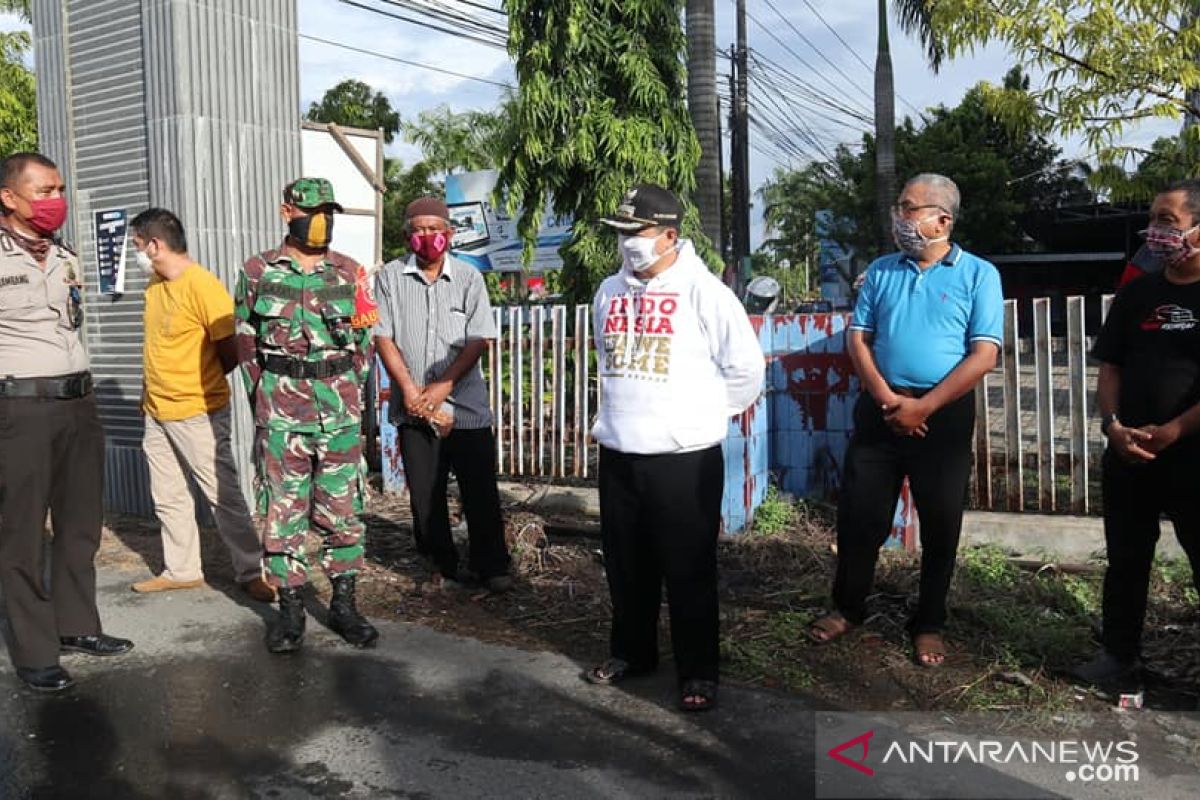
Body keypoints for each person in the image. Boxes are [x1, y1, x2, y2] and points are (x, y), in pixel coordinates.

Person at [807, 173, 1003, 668]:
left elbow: (983, 356)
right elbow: (858, 339)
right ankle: (847, 607)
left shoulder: (978, 274)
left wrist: (925, 406)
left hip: (944, 414)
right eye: (900, 209)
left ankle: (929, 623)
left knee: (940, 523)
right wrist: (887, 399)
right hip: (881, 409)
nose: (901, 219)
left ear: (943, 219)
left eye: (910, 209)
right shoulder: (881, 271)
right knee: (859, 517)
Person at [585, 184, 764, 712]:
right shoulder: (608, 292)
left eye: (636, 233)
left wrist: (699, 420)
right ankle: (632, 653)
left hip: (684, 458)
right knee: (625, 564)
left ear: (669, 234)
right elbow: (606, 360)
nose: (627, 244)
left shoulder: (704, 293)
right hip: (620, 451)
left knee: (687, 568)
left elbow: (746, 371)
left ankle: (698, 670)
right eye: (621, 234)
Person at [0, 152, 133, 692]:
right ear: (9, 197)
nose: (57, 200)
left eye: (60, 189)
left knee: (80, 525)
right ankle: (35, 649)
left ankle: (77, 625)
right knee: (23, 533)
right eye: (44, 190)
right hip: (20, 408)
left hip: (80, 402)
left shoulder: (65, 255)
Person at [234, 177, 378, 653]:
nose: (321, 221)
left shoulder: (350, 272)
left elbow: (364, 342)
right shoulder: (258, 272)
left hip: (338, 412)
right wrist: (264, 392)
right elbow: (244, 338)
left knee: (343, 510)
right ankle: (291, 610)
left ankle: (344, 604)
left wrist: (346, 392)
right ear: (286, 211)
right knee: (284, 510)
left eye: (328, 211)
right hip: (280, 413)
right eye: (312, 210)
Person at [1073, 179, 1200, 686]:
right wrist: (1112, 427)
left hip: (1192, 454)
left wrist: (1175, 429)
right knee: (1125, 559)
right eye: (1154, 219)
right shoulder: (1137, 292)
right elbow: (1110, 367)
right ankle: (1119, 655)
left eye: (1168, 220)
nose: (1156, 231)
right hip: (1129, 454)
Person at [128, 208, 273, 602]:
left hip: (197, 412)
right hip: (156, 412)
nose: (136, 254)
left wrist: (199, 387)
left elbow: (230, 350)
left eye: (138, 246)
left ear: (155, 245)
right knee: (168, 495)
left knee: (222, 495)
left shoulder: (203, 286)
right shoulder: (155, 286)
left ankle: (251, 570)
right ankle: (181, 569)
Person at [373, 197, 511, 591]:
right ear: (406, 235)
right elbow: (383, 336)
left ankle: (492, 567)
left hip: (466, 407)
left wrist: (443, 386)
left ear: (449, 234)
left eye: (435, 229)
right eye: (419, 229)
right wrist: (410, 391)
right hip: (413, 407)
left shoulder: (469, 279)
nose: (427, 236)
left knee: (480, 490)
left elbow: (479, 339)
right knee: (425, 496)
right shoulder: (390, 278)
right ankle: (442, 565)